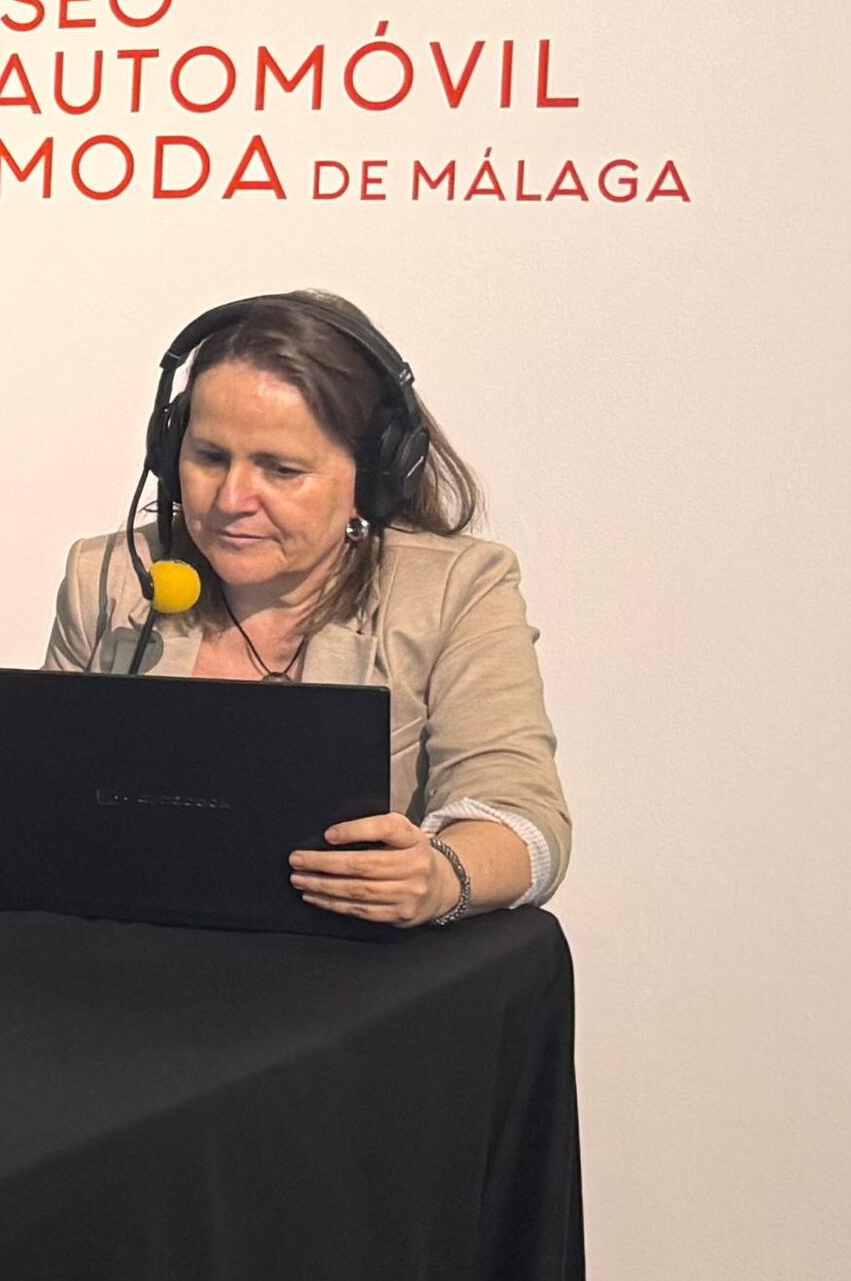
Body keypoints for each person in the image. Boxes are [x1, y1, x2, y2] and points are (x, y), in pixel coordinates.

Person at [42, 288, 569, 926]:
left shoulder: (457, 589)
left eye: (281, 469)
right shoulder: (113, 577)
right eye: (209, 457)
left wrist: (441, 876)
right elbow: (44, 800)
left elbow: (526, 824)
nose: (232, 498)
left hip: (345, 987)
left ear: (371, 480)